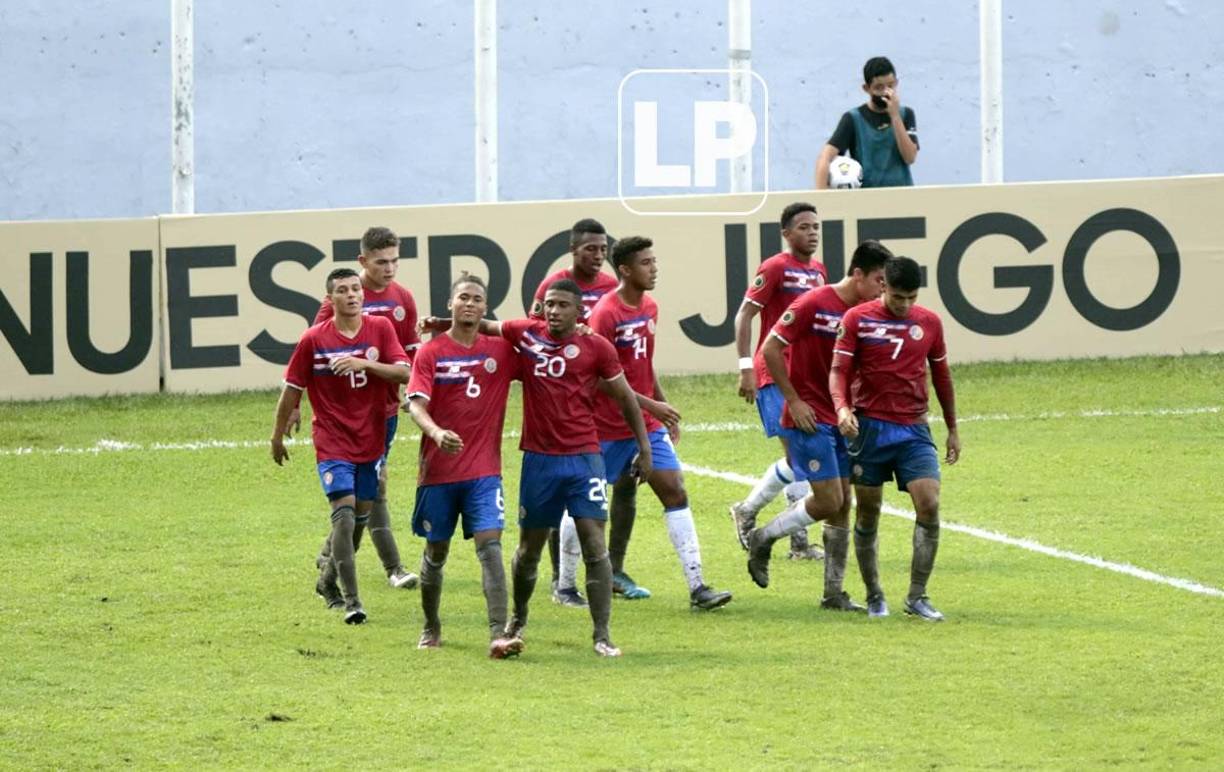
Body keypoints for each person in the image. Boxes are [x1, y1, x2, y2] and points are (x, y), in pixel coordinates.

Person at [503, 279, 652, 657]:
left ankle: (602, 634)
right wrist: (441, 323)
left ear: (579, 311)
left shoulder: (597, 348)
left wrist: (645, 447)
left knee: (594, 543)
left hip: (585, 457)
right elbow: (486, 328)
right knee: (529, 550)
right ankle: (517, 619)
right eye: (549, 304)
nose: (553, 310)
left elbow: (626, 399)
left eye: (562, 305)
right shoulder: (525, 335)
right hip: (538, 460)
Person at [744, 241, 892, 611]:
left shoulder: (866, 313)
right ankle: (763, 537)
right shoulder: (813, 302)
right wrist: (793, 400)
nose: (882, 290)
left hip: (841, 416)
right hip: (807, 417)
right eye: (878, 281)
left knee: (843, 503)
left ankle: (833, 594)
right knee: (829, 500)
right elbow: (771, 350)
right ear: (858, 274)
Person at [589, 236, 734, 610]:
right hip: (606, 427)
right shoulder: (605, 314)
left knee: (675, 491)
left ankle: (698, 586)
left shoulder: (650, 307)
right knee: (586, 505)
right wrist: (650, 403)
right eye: (646, 263)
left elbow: (644, 365)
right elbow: (598, 379)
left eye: (654, 261)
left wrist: (662, 409)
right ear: (625, 270)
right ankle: (567, 584)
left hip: (645, 424)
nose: (654, 269)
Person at [271, 268, 411, 625]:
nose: (352, 295)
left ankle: (327, 580)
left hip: (372, 439)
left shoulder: (380, 328)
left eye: (355, 289)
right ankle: (353, 602)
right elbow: (291, 389)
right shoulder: (314, 340)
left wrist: (363, 362)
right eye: (343, 291)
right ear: (330, 299)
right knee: (345, 517)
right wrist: (276, 435)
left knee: (360, 518)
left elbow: (405, 372)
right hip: (332, 441)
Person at [830, 255, 961, 621]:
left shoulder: (929, 323)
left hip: (913, 429)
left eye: (911, 298)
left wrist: (952, 428)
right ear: (883, 285)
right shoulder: (857, 319)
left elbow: (942, 377)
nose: (904, 305)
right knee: (869, 511)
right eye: (898, 297)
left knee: (929, 503)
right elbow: (838, 370)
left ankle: (917, 596)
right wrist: (842, 408)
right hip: (869, 428)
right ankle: (874, 595)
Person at [404, 274, 524, 658]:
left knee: (490, 548)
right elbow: (415, 405)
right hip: (438, 473)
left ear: (485, 308)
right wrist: (437, 433)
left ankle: (498, 635)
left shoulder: (502, 351)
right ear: (450, 303)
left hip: (484, 473)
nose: (469, 304)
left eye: (476, 299)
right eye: (463, 298)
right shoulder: (431, 352)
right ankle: (431, 625)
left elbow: (542, 340)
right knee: (436, 553)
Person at [310, 227, 421, 608]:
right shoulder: (341, 297)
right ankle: (391, 567)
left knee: (369, 493)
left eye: (394, 260)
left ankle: (330, 556)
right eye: (381, 262)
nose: (389, 269)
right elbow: (319, 351)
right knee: (373, 489)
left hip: (384, 412)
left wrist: (414, 395)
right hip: (346, 418)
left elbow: (409, 357)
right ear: (362, 263)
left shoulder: (403, 299)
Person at [730, 202, 829, 561]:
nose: (812, 232)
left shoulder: (819, 271)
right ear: (787, 234)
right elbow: (744, 316)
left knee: (804, 455)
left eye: (816, 226)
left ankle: (756, 514)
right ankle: (790, 537)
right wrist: (746, 368)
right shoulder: (775, 267)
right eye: (804, 227)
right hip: (773, 372)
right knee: (798, 454)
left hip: (805, 376)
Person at [529, 218, 620, 608]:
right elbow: (536, 332)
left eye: (603, 249)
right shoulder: (553, 286)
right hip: (562, 402)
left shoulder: (611, 288)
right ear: (573, 248)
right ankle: (559, 578)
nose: (598, 256)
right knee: (558, 501)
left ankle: (612, 570)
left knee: (608, 495)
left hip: (599, 399)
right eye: (590, 249)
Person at [814, 56, 919, 190]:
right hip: (866, 199)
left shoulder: (906, 114)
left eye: (890, 85)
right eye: (879, 87)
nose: (886, 92)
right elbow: (825, 157)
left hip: (901, 196)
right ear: (866, 88)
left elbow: (910, 157)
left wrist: (895, 116)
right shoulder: (853, 119)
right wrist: (821, 198)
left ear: (896, 83)